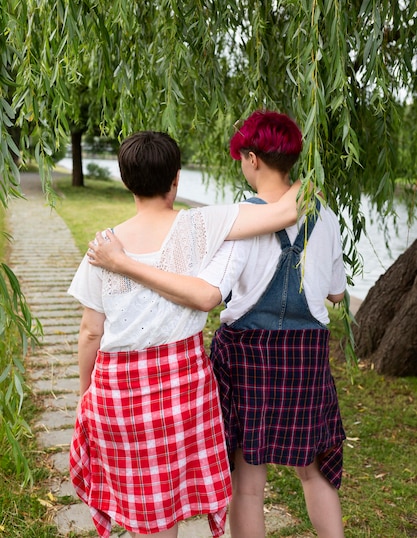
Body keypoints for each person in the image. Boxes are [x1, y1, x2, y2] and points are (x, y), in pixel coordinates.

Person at [87, 112, 347, 538]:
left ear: (252, 159)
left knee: (247, 485)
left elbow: (211, 292)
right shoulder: (326, 215)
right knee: (313, 470)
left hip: (249, 353)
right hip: (308, 353)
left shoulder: (239, 221)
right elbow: (335, 294)